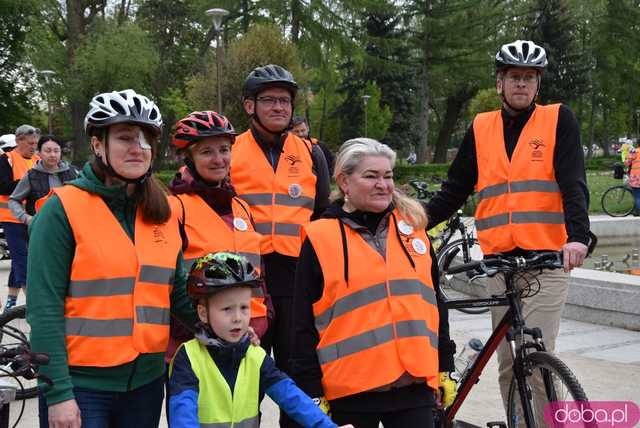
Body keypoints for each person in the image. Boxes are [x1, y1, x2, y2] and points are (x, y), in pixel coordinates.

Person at [425, 40, 591, 424]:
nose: (521, 84)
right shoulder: (481, 127)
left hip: (547, 260)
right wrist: (415, 222)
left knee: (537, 355)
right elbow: (456, 187)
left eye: (529, 78)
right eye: (514, 77)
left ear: (538, 85)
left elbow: (573, 183)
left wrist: (579, 237)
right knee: (506, 363)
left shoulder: (557, 120)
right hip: (500, 262)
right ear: (500, 82)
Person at [26, 89, 197, 428]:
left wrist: (221, 332)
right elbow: (44, 309)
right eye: (124, 137)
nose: (137, 147)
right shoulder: (63, 210)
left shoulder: (161, 212)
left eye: (145, 139)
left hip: (145, 386)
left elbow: (176, 293)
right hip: (82, 387)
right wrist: (58, 394)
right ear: (98, 144)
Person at [290, 138, 456, 428]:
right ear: (344, 182)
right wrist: (312, 390)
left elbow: (435, 304)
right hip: (351, 392)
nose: (383, 184)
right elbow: (302, 325)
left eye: (388, 176)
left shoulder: (414, 231)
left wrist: (445, 366)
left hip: (414, 387)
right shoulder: (320, 237)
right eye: (371, 176)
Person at [168, 252, 352, 428]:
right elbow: (183, 412)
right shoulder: (189, 358)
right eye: (227, 309)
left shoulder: (254, 355)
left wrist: (326, 425)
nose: (238, 317)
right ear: (203, 313)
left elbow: (290, 395)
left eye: (244, 307)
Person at [230, 65, 330, 384]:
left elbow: (323, 215)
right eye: (269, 100)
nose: (278, 107)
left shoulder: (311, 153)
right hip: (244, 275)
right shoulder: (229, 151)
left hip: (295, 275)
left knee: (295, 372)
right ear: (250, 106)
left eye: (285, 101)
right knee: (244, 373)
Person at [166, 110, 272, 362]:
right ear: (188, 158)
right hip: (196, 346)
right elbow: (168, 284)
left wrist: (264, 318)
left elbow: (259, 275)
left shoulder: (242, 207)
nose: (218, 159)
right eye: (206, 152)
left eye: (224, 150)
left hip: (249, 341)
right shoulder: (175, 209)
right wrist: (203, 331)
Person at [0, 124, 39, 310]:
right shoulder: (6, 159)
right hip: (11, 218)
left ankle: (10, 303)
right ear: (18, 141)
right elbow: (3, 187)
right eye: (30, 143)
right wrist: (28, 184)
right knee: (22, 260)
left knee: (20, 261)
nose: (33, 147)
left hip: (32, 218)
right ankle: (33, 305)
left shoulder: (38, 160)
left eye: (35, 143)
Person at [9, 134, 78, 225]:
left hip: (69, 227)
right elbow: (13, 200)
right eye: (48, 151)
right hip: (41, 229)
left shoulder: (73, 172)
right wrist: (27, 219)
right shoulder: (32, 176)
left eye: (56, 151)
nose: (52, 155)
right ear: (39, 153)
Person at [625, 146, 640, 216]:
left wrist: (626, 157)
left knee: (637, 195)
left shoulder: (635, 151)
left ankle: (638, 212)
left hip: (636, 176)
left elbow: (627, 163)